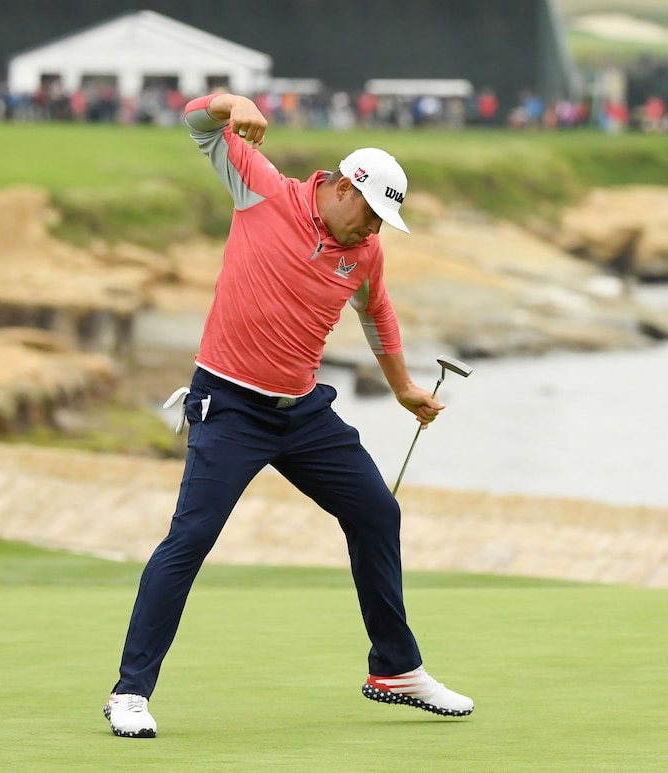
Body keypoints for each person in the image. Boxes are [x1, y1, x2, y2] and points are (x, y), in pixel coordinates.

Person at [104, 92, 474, 738]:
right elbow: (195, 124)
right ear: (342, 188)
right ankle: (128, 692)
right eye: (373, 214)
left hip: (302, 411)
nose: (375, 230)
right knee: (190, 539)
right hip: (229, 404)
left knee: (376, 510)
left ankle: (394, 667)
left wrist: (404, 388)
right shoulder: (263, 190)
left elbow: (377, 314)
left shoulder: (365, 254)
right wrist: (229, 103)